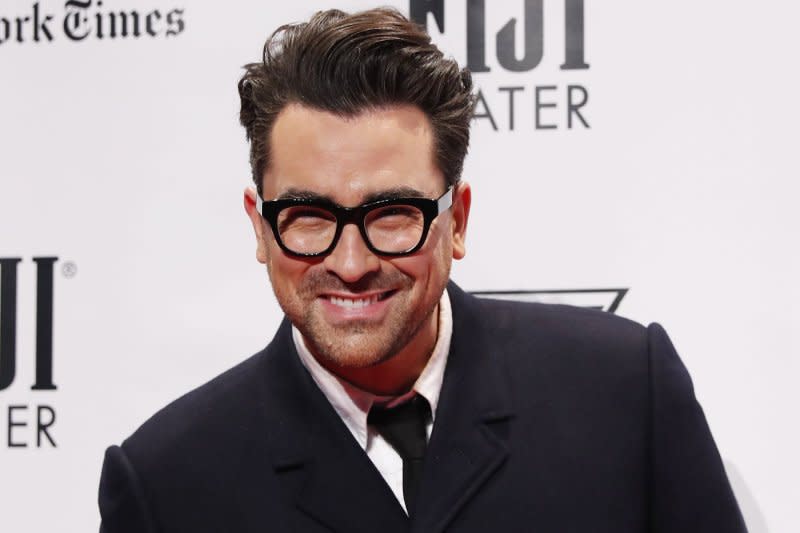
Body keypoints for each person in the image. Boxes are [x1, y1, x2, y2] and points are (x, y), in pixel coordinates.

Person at [98, 8, 747, 533]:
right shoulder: (167, 484)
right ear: (260, 228)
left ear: (456, 219)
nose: (350, 264)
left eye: (392, 214)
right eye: (308, 217)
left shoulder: (625, 389)